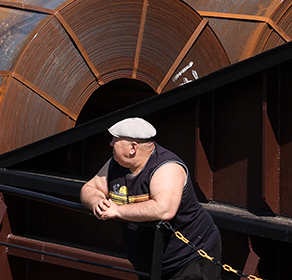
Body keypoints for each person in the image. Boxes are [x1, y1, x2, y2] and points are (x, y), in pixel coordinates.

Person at [81, 117, 221, 280]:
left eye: (115, 140)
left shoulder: (167, 167)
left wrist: (117, 210)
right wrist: (97, 202)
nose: (111, 144)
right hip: (149, 261)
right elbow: (89, 188)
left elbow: (164, 209)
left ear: (133, 147)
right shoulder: (116, 163)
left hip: (189, 258)